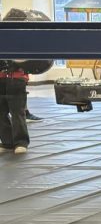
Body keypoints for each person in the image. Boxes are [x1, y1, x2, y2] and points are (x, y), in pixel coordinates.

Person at [0, 8, 53, 155]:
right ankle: (6, 142)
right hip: (1, 78)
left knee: (17, 111)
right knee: (1, 112)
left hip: (16, 78)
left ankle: (21, 142)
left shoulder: (21, 37)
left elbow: (29, 59)